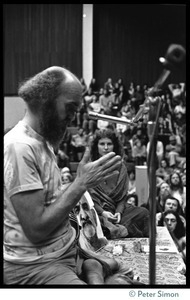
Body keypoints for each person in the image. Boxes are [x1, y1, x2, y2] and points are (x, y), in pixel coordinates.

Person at [4, 66, 123, 285]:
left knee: (117, 266)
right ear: (44, 100)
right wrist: (81, 183)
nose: (73, 117)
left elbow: (52, 202)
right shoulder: (20, 147)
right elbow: (36, 230)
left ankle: (90, 267)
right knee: (119, 283)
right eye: (70, 107)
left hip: (65, 251)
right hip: (36, 265)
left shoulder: (43, 142)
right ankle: (93, 272)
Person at [89, 128, 150, 239]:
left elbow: (122, 197)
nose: (106, 148)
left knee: (143, 212)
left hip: (116, 213)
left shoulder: (121, 168)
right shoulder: (90, 168)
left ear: (115, 146)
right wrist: (103, 213)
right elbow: (87, 199)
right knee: (90, 219)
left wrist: (119, 213)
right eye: (102, 144)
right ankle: (118, 229)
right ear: (96, 146)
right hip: (97, 213)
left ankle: (113, 230)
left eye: (109, 144)